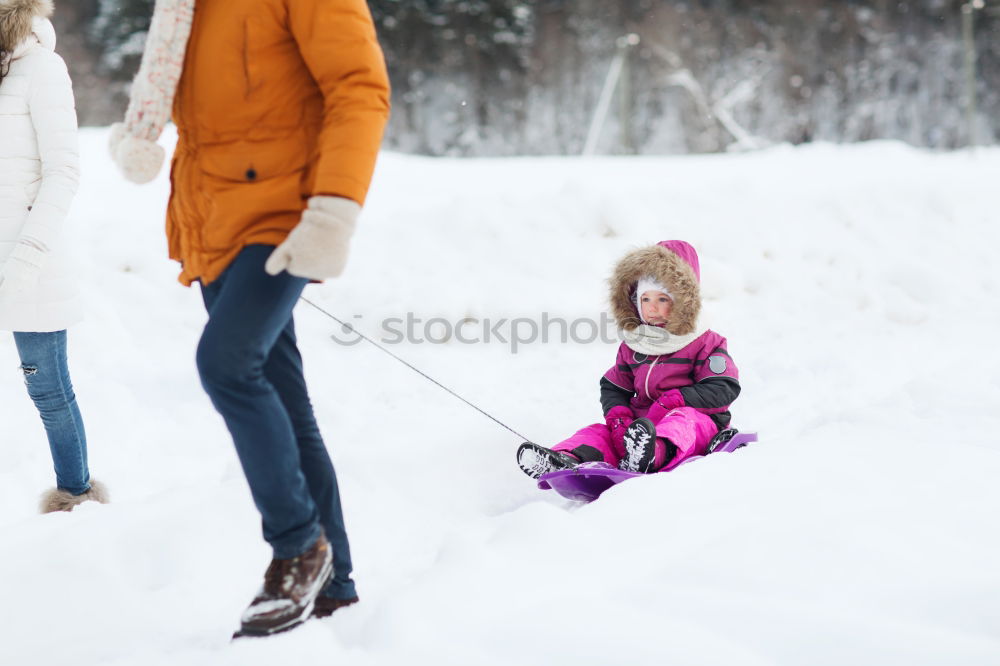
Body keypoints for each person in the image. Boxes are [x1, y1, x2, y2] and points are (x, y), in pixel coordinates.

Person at [109, 0, 389, 637]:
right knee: (285, 399)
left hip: (286, 216)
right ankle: (336, 584)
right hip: (215, 222)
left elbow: (360, 89)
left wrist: (334, 209)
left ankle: (299, 548)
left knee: (226, 364)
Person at [0, 0, 107, 513]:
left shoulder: (42, 67)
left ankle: (77, 496)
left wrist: (27, 257)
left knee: (47, 389)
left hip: (30, 261)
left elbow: (62, 171)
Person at [517, 240, 741, 477]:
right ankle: (566, 459)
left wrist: (675, 399)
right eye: (646, 299)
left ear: (684, 302)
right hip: (641, 426)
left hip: (698, 422)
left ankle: (651, 453)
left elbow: (723, 387)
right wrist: (619, 417)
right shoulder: (636, 345)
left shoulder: (706, 342)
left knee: (681, 421)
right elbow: (614, 385)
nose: (652, 308)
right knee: (598, 433)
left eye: (662, 299)